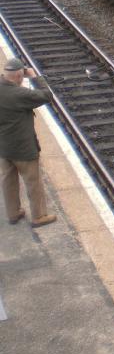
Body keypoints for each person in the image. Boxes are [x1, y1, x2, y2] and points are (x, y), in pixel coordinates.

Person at [0, 57, 56, 227]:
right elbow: (47, 95)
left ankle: (13, 213)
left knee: (8, 180)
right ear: (19, 76)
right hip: (23, 149)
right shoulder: (20, 94)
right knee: (33, 182)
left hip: (3, 147)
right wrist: (34, 77)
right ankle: (39, 216)